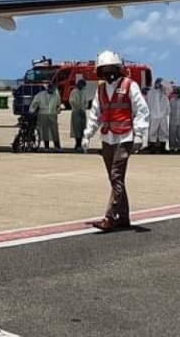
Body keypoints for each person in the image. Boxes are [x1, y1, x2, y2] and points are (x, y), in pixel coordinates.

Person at [83, 50, 150, 232]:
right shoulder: (101, 89)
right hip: (107, 138)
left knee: (116, 176)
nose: (108, 73)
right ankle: (124, 217)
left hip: (125, 136)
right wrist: (87, 134)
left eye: (111, 68)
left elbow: (142, 110)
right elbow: (95, 114)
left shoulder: (130, 85)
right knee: (115, 180)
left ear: (118, 68)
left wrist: (139, 134)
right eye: (104, 70)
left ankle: (110, 217)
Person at [30, 82, 64, 152]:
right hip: (43, 114)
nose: (51, 90)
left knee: (54, 131)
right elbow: (35, 103)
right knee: (45, 131)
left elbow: (58, 105)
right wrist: (32, 110)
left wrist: (58, 110)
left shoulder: (56, 96)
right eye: (50, 88)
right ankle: (46, 147)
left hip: (52, 115)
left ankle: (57, 146)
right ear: (47, 88)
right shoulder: (41, 95)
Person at [145, 78, 171, 153]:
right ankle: (152, 147)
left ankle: (163, 148)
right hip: (153, 115)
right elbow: (148, 103)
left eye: (160, 83)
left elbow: (169, 89)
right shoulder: (150, 92)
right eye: (158, 83)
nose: (158, 85)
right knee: (152, 131)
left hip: (162, 115)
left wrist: (164, 82)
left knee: (164, 131)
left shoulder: (164, 92)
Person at [69, 79, 90, 152]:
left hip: (82, 112)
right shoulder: (74, 92)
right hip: (76, 112)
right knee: (76, 129)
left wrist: (84, 108)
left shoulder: (84, 93)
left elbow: (86, 102)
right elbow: (72, 101)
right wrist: (77, 108)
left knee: (82, 129)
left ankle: (80, 144)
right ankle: (77, 145)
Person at [168, 84, 180, 153]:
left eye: (176, 94)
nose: (175, 95)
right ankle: (172, 147)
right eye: (174, 94)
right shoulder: (172, 100)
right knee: (172, 134)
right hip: (173, 120)